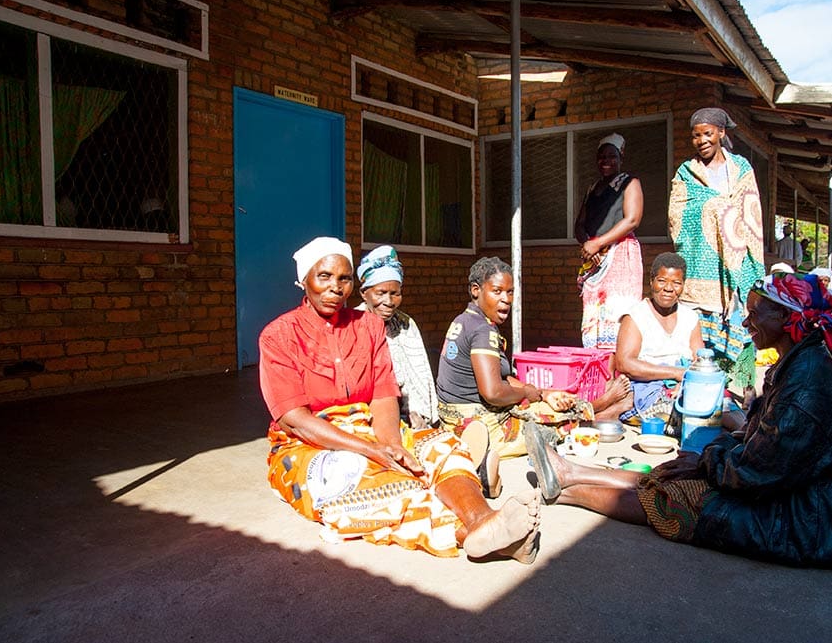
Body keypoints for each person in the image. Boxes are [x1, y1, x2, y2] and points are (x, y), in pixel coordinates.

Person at [524, 272, 832, 567]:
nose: (747, 321)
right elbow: (764, 447)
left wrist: (707, 460)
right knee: (683, 470)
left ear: (784, 317)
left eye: (755, 312)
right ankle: (570, 472)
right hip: (810, 494)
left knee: (683, 498)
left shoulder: (806, 385)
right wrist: (713, 455)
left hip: (823, 519)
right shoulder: (800, 362)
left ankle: (569, 493)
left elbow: (756, 472)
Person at [259, 237, 541, 562]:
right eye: (324, 277)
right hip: (309, 443)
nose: (335, 288)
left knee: (441, 447)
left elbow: (383, 394)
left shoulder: (367, 327)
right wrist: (371, 450)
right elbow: (295, 419)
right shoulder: (278, 336)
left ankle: (483, 518)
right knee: (359, 477)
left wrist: (392, 442)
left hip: (371, 426)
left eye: (343, 278)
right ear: (303, 280)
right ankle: (468, 532)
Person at [436, 257, 632, 493]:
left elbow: (501, 377)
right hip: (479, 425)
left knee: (543, 403)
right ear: (476, 290)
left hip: (453, 420)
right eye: (497, 291)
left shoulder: (465, 320)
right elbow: (493, 392)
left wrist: (542, 392)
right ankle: (601, 407)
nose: (506, 300)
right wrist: (529, 393)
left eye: (510, 292)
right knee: (557, 422)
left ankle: (596, 411)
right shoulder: (482, 330)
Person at [668, 107, 765, 393]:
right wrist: (715, 207)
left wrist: (726, 215)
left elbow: (752, 212)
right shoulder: (687, 172)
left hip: (736, 264)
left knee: (738, 327)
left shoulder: (742, 170)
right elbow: (677, 214)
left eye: (708, 134)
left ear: (721, 133)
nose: (702, 141)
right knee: (698, 336)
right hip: (700, 264)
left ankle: (738, 397)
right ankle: (701, 393)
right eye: (696, 136)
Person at [613, 252, 704, 424]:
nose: (669, 288)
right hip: (649, 385)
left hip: (684, 383)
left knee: (723, 406)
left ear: (683, 285)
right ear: (651, 281)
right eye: (662, 281)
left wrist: (686, 382)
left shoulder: (690, 317)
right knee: (677, 413)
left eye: (676, 283)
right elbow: (625, 363)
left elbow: (699, 359)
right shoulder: (635, 317)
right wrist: (676, 373)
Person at [355, 245, 438, 429]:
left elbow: (421, 376)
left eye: (395, 294)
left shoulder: (405, 324)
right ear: (363, 293)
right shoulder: (354, 327)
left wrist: (420, 415)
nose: (389, 302)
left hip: (414, 416)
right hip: (373, 418)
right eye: (381, 293)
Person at [574, 133, 644, 349]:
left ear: (621, 156)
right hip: (595, 258)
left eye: (611, 156)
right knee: (595, 316)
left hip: (620, 256)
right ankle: (598, 369)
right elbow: (580, 224)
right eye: (602, 157)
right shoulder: (593, 188)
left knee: (617, 314)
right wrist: (589, 244)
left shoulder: (630, 182)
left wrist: (598, 242)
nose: (606, 161)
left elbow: (632, 219)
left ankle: (619, 370)